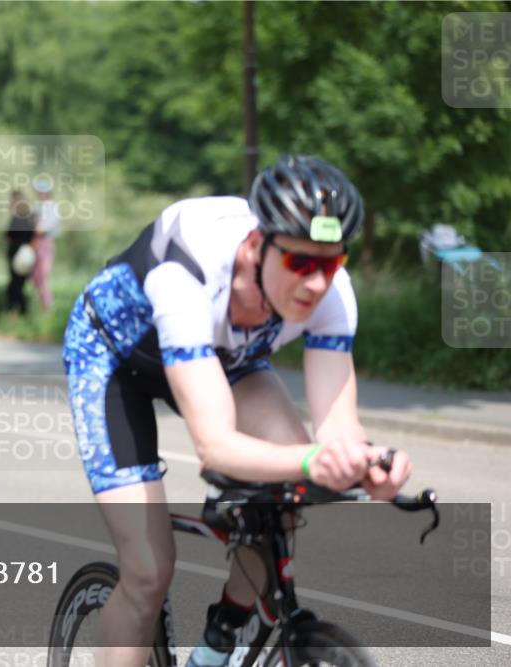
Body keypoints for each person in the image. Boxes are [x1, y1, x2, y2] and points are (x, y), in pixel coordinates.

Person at [60, 155, 414, 667]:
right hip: (115, 361)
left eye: (331, 262)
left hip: (225, 360)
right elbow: (215, 444)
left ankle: (218, 642)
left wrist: (369, 464)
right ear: (255, 244)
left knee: (285, 491)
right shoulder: (189, 268)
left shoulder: (333, 292)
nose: (317, 283)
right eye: (300, 263)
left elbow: (338, 430)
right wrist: (317, 461)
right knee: (148, 572)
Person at [31, 175, 61, 312]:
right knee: (36, 278)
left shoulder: (52, 208)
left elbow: (41, 229)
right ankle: (41, 308)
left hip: (45, 243)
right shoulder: (38, 207)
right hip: (36, 244)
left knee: (43, 277)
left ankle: (47, 309)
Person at [5, 190, 37, 315]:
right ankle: (20, 311)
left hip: (17, 253)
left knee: (15, 285)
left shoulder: (17, 219)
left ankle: (17, 311)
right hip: (25, 254)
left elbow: (8, 237)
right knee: (18, 284)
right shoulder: (30, 218)